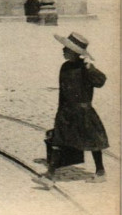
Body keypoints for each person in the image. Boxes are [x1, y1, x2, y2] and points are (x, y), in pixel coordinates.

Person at [39, 32, 109, 186]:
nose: (63, 50)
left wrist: (89, 67)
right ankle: (50, 175)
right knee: (58, 141)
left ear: (75, 52)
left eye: (66, 48)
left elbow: (101, 81)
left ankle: (100, 172)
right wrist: (59, 113)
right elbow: (62, 93)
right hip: (66, 112)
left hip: (84, 112)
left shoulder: (86, 68)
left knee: (93, 142)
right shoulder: (64, 67)